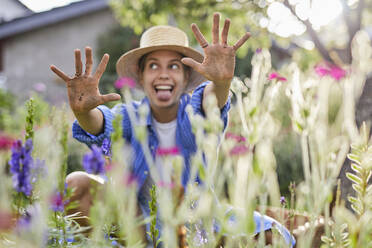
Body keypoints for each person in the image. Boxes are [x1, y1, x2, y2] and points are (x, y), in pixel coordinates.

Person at [50, 13, 295, 247]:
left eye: (174, 66)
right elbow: (99, 123)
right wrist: (82, 111)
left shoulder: (195, 113)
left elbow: (213, 101)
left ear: (187, 75)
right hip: (137, 225)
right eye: (154, 66)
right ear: (141, 75)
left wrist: (221, 82)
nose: (164, 74)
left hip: (198, 222)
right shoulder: (129, 116)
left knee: (274, 237)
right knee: (76, 183)